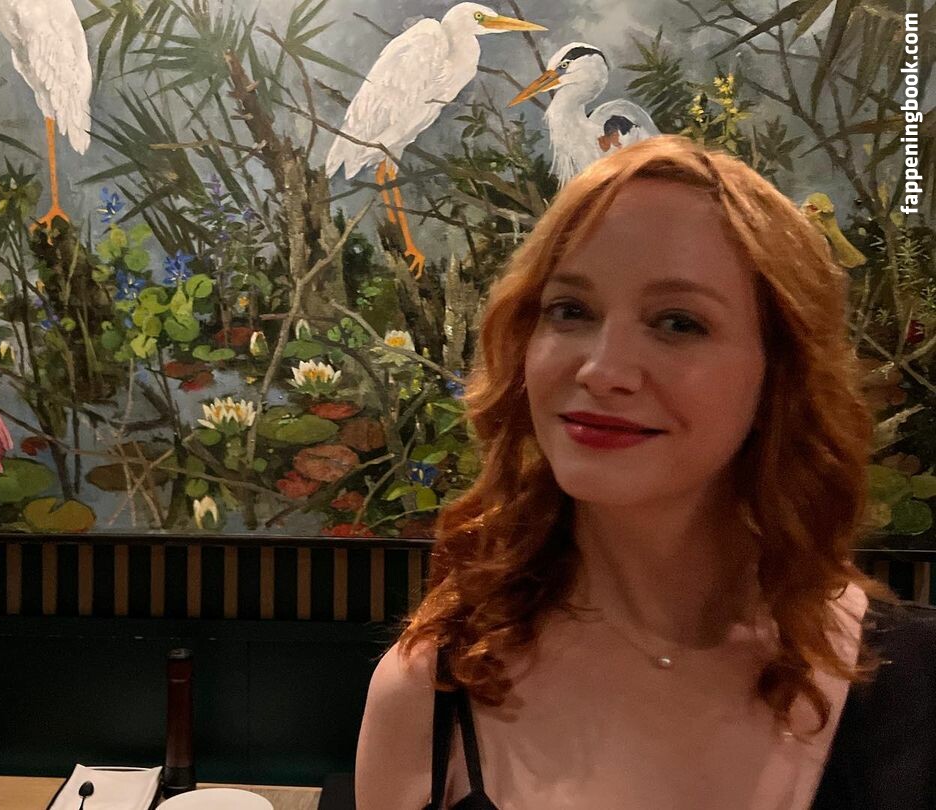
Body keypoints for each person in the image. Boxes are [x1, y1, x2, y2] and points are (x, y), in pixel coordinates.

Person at [354, 135, 936, 809]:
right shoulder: (431, 694)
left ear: (779, 374)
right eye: (570, 310)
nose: (603, 370)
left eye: (677, 323)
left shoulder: (916, 688)